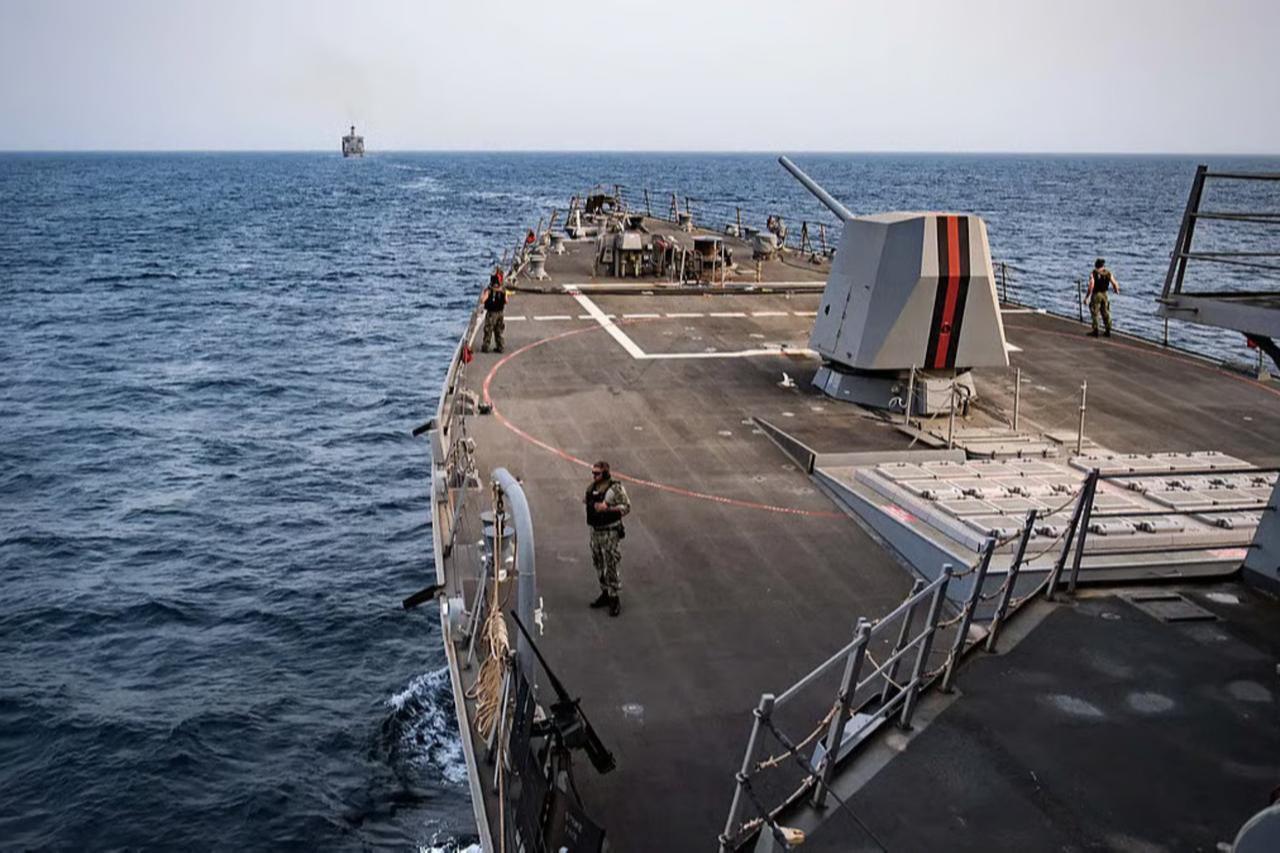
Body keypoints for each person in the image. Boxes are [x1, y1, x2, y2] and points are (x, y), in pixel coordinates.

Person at [584, 461, 630, 617]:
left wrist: (608, 508)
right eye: (593, 473)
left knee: (611, 563)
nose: (594, 476)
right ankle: (604, 591)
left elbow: (626, 507)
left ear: (605, 473)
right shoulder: (592, 488)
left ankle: (614, 596)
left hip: (609, 532)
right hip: (596, 532)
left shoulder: (615, 488)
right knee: (598, 562)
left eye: (597, 473)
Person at [1085, 257, 1120, 337]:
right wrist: (1116, 290)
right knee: (1105, 312)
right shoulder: (1108, 273)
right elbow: (1114, 283)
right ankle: (1108, 329)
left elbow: (1091, 285)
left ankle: (1096, 330)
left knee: (1095, 312)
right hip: (1104, 294)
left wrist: (1087, 297)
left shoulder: (1094, 273)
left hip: (1096, 294)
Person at [480, 273, 509, 353]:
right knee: (499, 331)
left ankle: (485, 347)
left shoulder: (489, 291)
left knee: (488, 330)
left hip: (491, 313)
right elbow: (506, 301)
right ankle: (500, 347)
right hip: (500, 313)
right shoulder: (503, 290)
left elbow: (482, 300)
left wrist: (483, 293)